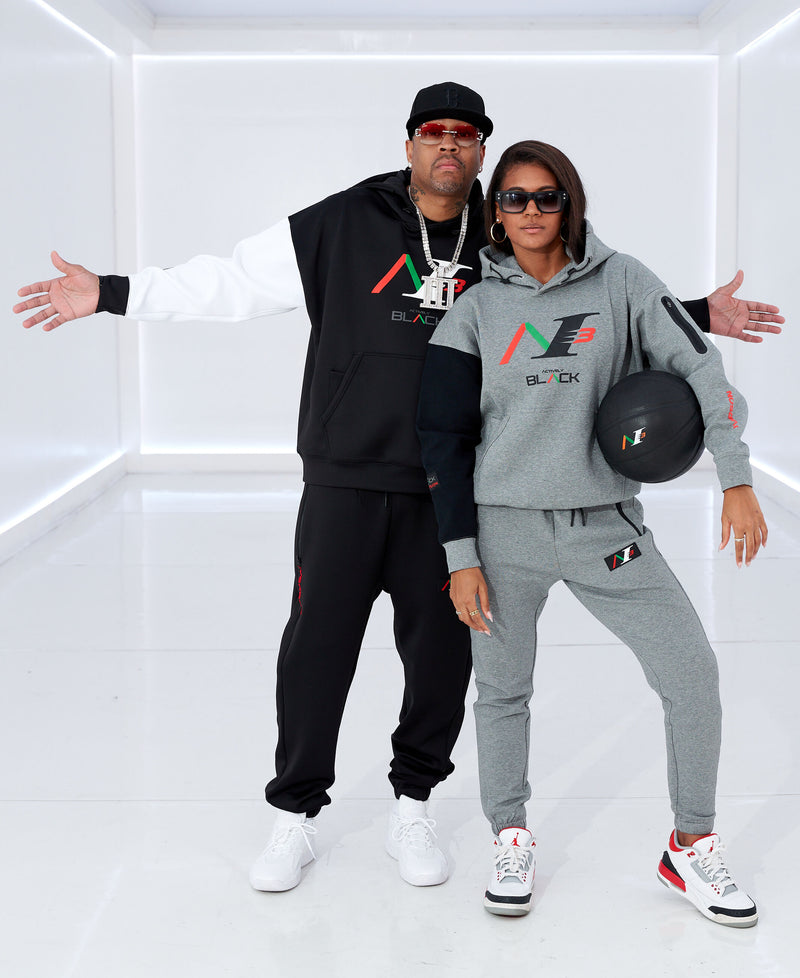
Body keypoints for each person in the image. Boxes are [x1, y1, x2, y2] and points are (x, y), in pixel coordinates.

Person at [13, 86, 782, 898]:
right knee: (317, 650)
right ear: (410, 143)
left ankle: (413, 805)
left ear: (481, 150)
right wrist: (111, 291)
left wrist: (691, 315)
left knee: (443, 660)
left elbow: (573, 306)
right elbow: (233, 282)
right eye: (433, 132)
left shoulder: (502, 229)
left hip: (455, 492)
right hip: (346, 475)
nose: (449, 144)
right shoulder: (345, 222)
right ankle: (295, 813)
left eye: (466, 134)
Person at [416, 139, 766, 927]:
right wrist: (461, 555)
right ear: (495, 213)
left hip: (607, 530)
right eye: (514, 198)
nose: (531, 211)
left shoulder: (625, 282)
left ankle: (691, 846)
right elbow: (442, 438)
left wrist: (735, 476)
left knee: (691, 674)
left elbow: (701, 369)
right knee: (502, 692)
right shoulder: (474, 310)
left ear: (569, 204)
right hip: (503, 534)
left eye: (548, 196)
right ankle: (510, 836)